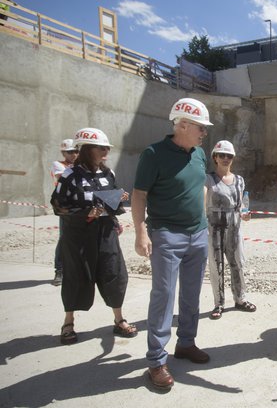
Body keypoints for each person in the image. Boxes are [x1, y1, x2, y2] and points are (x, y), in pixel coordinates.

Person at [132, 97, 213, 390]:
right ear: (182, 124)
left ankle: (186, 343)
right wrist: (141, 231)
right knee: (164, 295)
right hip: (166, 234)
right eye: (200, 127)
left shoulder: (200, 154)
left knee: (191, 294)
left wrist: (202, 217)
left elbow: (201, 186)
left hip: (197, 234)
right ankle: (156, 361)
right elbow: (139, 194)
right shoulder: (153, 154)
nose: (204, 132)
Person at [50, 127, 137, 345]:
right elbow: (58, 205)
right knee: (76, 276)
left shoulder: (109, 174)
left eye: (107, 147)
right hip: (78, 236)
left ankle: (119, 320)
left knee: (114, 273)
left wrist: (119, 198)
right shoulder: (70, 175)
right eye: (101, 147)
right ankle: (68, 322)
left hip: (106, 233)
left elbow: (112, 204)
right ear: (88, 150)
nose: (106, 150)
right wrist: (84, 212)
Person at [205, 139, 256, 319]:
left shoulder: (240, 180)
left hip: (234, 228)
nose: (225, 158)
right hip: (214, 228)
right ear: (215, 157)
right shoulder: (208, 180)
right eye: (222, 155)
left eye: (229, 156)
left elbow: (242, 204)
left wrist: (245, 214)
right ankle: (218, 304)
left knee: (238, 263)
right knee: (216, 265)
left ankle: (240, 299)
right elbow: (202, 203)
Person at [50, 139, 79, 286]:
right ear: (63, 152)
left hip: (80, 205)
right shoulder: (59, 165)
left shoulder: (80, 166)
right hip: (65, 206)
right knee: (64, 239)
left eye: (76, 151)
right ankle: (59, 271)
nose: (74, 154)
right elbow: (65, 178)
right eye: (70, 152)